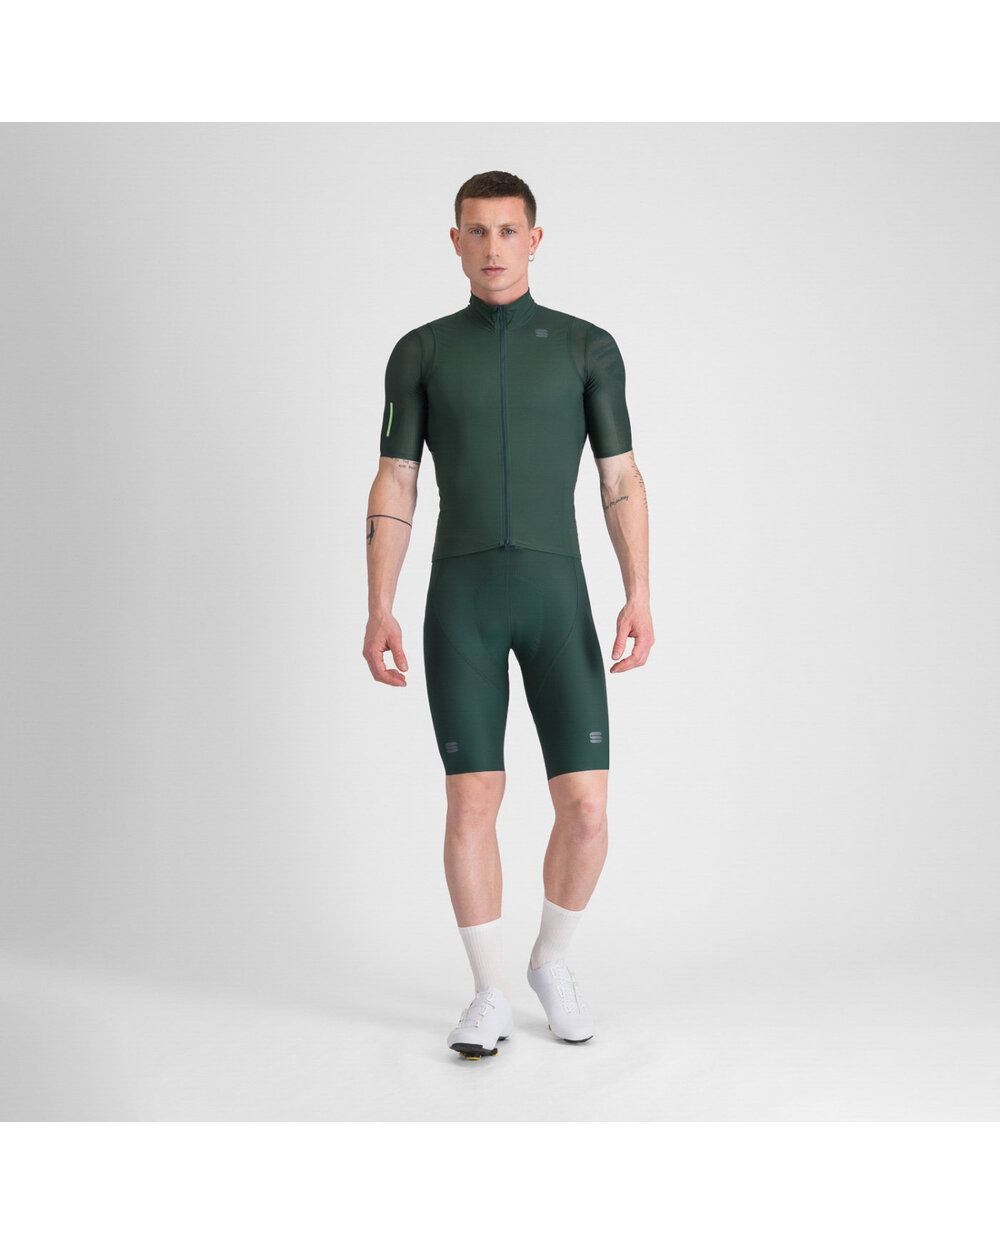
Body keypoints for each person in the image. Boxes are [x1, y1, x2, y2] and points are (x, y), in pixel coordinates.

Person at [363, 170, 653, 1059]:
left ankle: (550, 963)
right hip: (463, 601)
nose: (493, 247)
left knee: (588, 809)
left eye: (507, 230)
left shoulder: (586, 347)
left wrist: (639, 591)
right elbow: (397, 478)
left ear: (535, 238)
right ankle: (487, 992)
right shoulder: (421, 351)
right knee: (471, 799)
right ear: (455, 241)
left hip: (557, 596)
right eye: (476, 231)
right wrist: (379, 604)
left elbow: (619, 478)